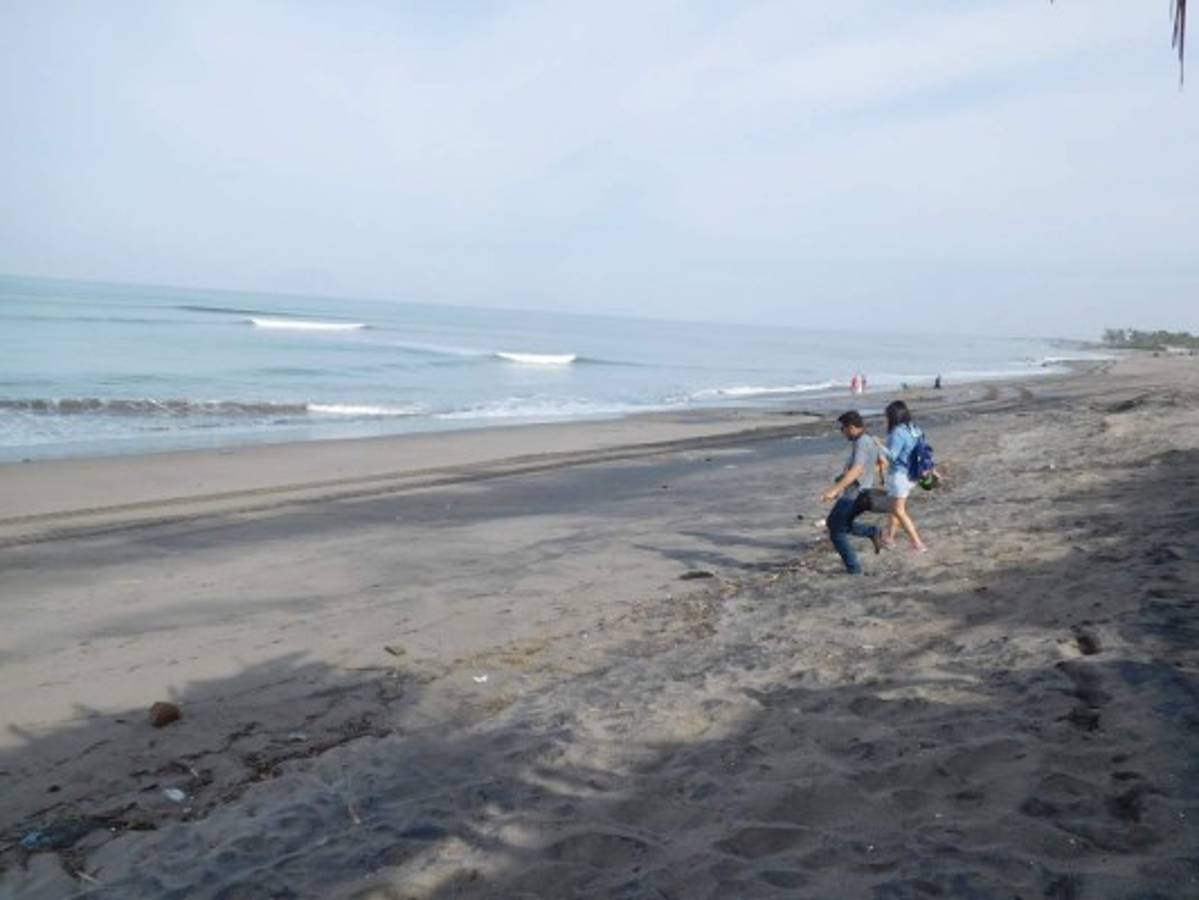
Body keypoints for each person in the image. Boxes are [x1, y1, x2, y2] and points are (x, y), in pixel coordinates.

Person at [819, 410, 885, 574]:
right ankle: (872, 531)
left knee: (835, 529)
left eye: (843, 429)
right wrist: (852, 475)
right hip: (861, 489)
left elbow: (857, 469)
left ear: (852, 427)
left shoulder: (862, 442)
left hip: (855, 492)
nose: (842, 432)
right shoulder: (870, 440)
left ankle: (854, 569)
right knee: (840, 525)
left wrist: (834, 490)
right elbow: (882, 462)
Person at [881, 400, 927, 552]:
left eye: (887, 416)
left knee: (899, 511)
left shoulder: (897, 432)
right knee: (896, 508)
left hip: (899, 475)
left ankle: (917, 542)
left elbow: (892, 456)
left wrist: (877, 445)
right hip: (912, 474)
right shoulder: (914, 429)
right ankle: (889, 538)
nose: (886, 419)